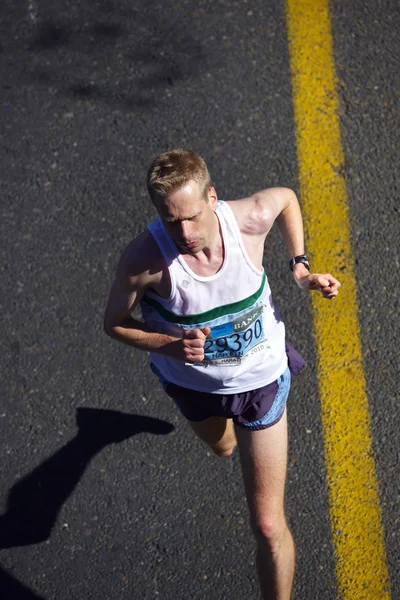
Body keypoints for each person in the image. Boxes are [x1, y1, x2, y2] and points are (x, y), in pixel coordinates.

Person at [104, 148, 340, 600]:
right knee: (221, 447)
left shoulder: (248, 218)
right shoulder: (142, 260)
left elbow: (288, 197)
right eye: (171, 222)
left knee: (268, 525)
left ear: (212, 196)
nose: (185, 233)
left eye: (192, 217)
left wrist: (300, 267)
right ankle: (225, 437)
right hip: (195, 387)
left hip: (262, 383)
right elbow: (113, 323)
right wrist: (170, 344)